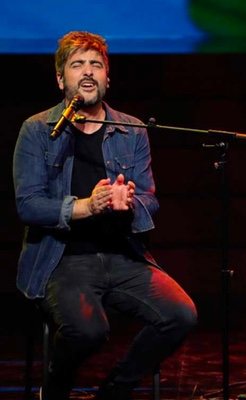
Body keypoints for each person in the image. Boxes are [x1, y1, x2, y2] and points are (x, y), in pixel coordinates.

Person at [12, 31, 197, 400]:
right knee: (89, 330)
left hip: (122, 256)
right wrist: (86, 205)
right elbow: (28, 205)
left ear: (107, 78)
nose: (87, 72)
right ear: (61, 78)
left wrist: (128, 203)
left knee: (181, 314)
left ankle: (114, 390)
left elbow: (150, 199)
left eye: (96, 64)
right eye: (77, 64)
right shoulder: (36, 130)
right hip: (63, 259)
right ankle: (54, 388)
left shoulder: (132, 129)